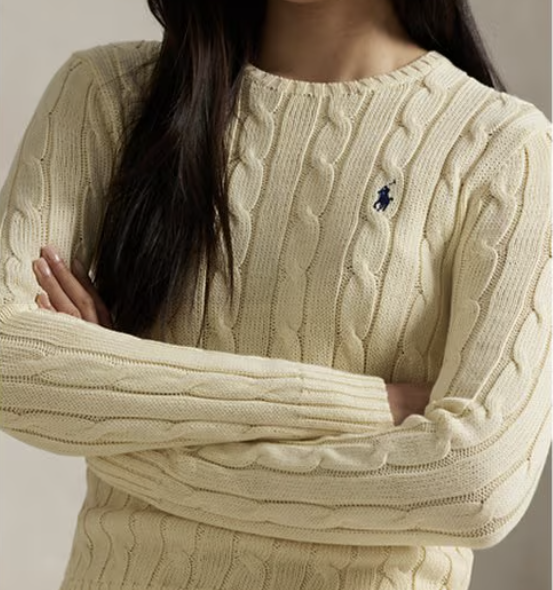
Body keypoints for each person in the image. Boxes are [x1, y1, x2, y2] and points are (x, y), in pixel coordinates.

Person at [0, 0, 551, 588]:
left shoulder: (503, 149)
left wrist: (118, 414)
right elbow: (11, 359)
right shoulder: (106, 94)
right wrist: (362, 407)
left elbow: (475, 484)